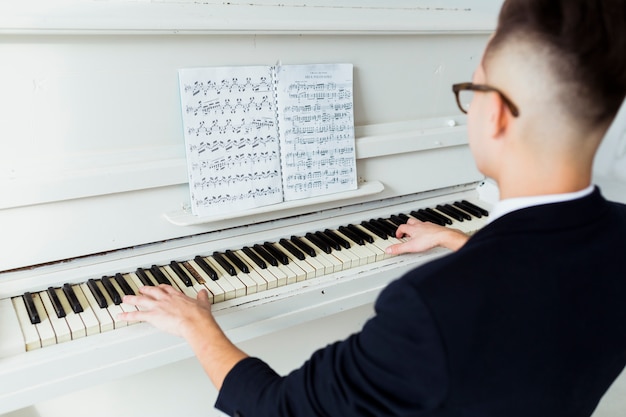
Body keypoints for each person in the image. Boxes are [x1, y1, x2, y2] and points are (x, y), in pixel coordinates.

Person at [119, 0, 626, 415]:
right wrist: (458, 241)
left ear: (492, 112)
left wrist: (194, 322)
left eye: (470, 90)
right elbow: (537, 281)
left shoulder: (431, 306)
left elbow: (278, 410)